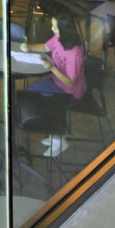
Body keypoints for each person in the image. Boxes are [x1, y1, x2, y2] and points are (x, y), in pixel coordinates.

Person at [19, 10, 87, 157]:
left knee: (41, 100)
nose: (52, 29)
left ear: (63, 29)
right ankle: (52, 132)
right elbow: (46, 47)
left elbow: (70, 82)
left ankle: (59, 138)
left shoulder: (74, 54)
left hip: (71, 93)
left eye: (55, 27)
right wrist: (29, 47)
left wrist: (52, 68)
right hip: (57, 83)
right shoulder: (59, 38)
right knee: (30, 93)